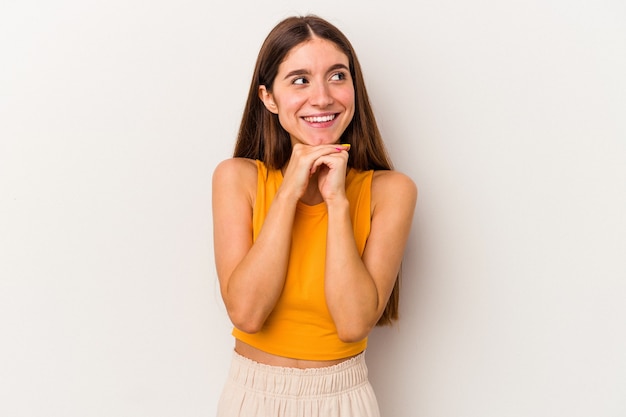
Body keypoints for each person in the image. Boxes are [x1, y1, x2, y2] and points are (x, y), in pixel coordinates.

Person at [212, 14, 417, 417]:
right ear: (268, 97)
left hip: (343, 399)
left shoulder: (391, 192)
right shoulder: (236, 179)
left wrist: (337, 202)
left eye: (337, 76)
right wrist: (289, 190)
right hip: (252, 397)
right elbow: (247, 314)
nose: (322, 97)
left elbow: (353, 324)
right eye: (300, 80)